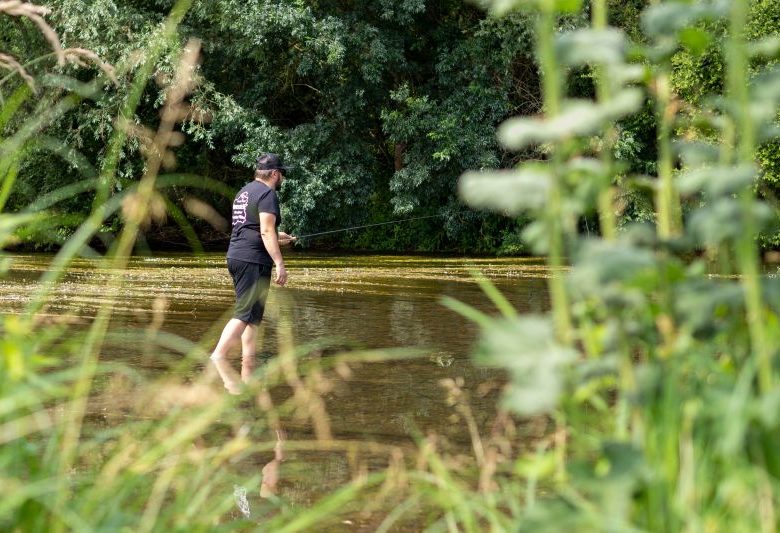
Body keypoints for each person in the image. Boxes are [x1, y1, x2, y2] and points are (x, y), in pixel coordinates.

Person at [211, 153, 296, 365]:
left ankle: (248, 361)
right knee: (243, 313)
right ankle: (216, 358)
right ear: (275, 174)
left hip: (238, 255)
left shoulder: (244, 192)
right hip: (253, 260)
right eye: (282, 174)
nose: (283, 179)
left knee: (253, 317)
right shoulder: (267, 195)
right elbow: (266, 231)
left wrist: (278, 237)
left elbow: (252, 228)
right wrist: (279, 263)